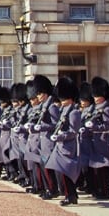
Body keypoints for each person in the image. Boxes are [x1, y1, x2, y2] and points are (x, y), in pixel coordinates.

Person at [46, 77, 81, 206]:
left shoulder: (74, 113)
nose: (62, 100)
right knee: (61, 172)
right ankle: (71, 195)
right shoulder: (64, 110)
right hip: (61, 146)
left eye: (65, 98)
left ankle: (70, 196)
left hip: (68, 146)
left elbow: (73, 132)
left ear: (71, 98)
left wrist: (60, 136)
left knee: (66, 172)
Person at [86, 77, 109, 200]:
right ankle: (100, 190)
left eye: (97, 95)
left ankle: (106, 192)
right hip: (96, 140)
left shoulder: (107, 109)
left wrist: (95, 126)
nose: (95, 98)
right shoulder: (97, 108)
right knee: (97, 169)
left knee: (103, 169)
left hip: (104, 141)